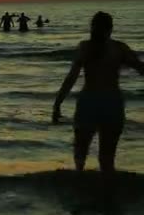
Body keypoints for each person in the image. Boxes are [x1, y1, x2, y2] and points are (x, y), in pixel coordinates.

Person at [53, 11, 144, 174]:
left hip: (89, 102)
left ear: (92, 28)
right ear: (111, 28)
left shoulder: (85, 47)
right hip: (112, 103)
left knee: (80, 153)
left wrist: (58, 103)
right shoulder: (119, 48)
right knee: (107, 158)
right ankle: (107, 194)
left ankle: (80, 188)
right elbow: (141, 69)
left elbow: (71, 78)